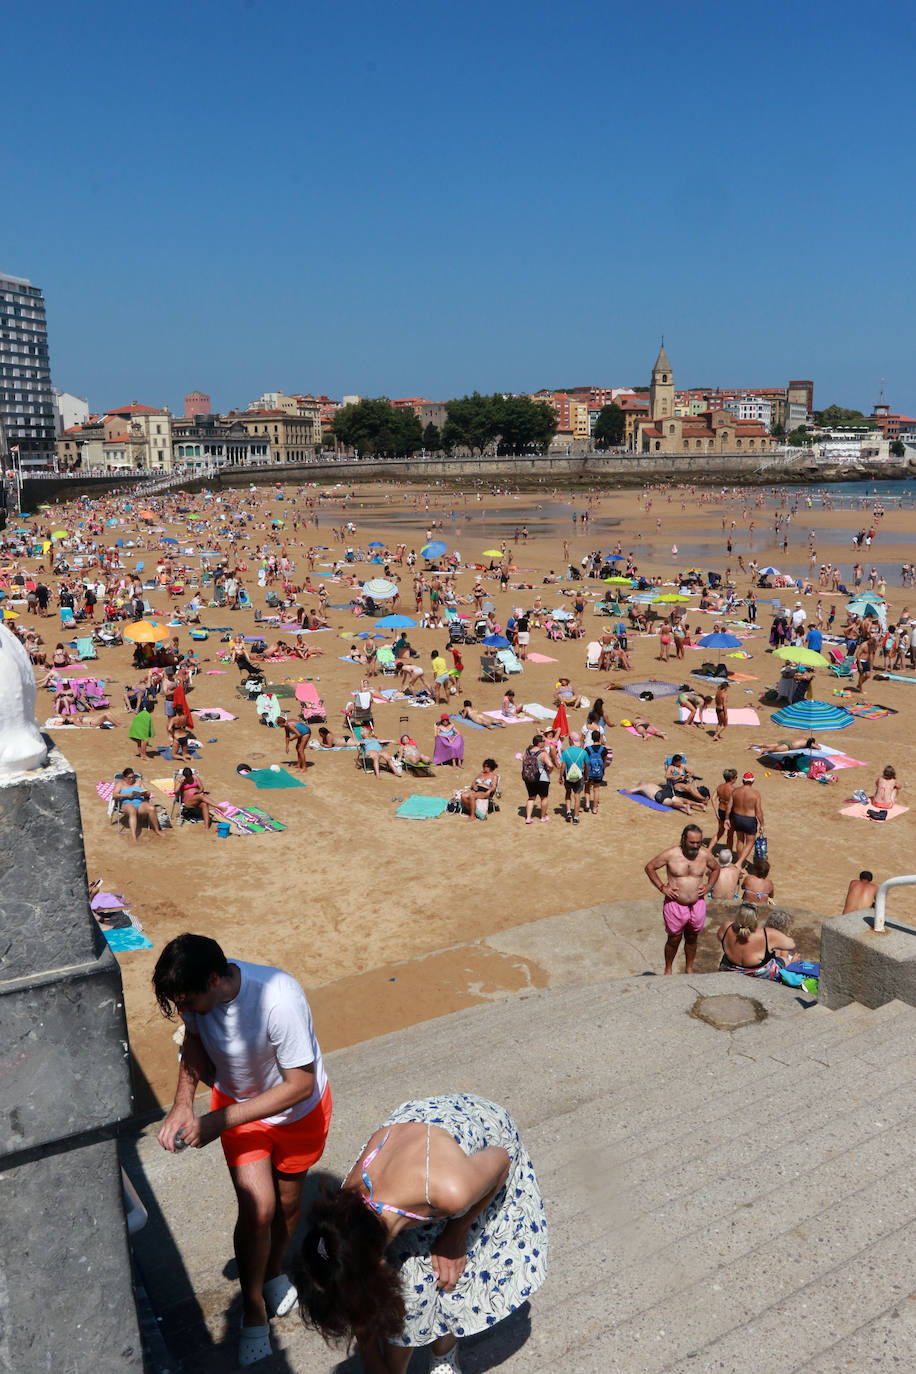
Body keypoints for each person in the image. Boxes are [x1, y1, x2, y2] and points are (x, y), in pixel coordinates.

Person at [153, 934, 331, 1369]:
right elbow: (193, 1040)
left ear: (216, 979)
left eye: (190, 1002)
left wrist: (216, 1122)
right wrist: (182, 1104)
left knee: (288, 1204)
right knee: (257, 1211)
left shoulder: (279, 997)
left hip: (297, 1113)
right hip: (238, 1111)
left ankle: (273, 1273)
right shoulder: (197, 996)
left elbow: (300, 1084)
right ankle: (254, 1310)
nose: (185, 1013)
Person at [294, 1093, 548, 1374]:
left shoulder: (452, 1192)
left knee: (445, 1272)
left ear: (380, 1264)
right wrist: (372, 1360)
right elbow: (347, 1284)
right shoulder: (342, 1217)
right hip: (410, 1151)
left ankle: (444, 1349)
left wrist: (456, 1233)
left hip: (479, 1139)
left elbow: (502, 1161)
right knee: (414, 1285)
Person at [645, 825, 720, 974]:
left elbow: (716, 868)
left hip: (697, 903)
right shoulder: (671, 854)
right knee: (674, 939)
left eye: (698, 842)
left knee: (692, 937)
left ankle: (689, 969)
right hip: (675, 904)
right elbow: (650, 867)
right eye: (692, 842)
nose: (696, 846)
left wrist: (709, 886)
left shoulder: (704, 855)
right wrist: (662, 887)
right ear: (684, 839)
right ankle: (668, 969)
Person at [717, 903, 795, 979]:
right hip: (756, 973)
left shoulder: (727, 927)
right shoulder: (765, 935)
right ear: (755, 918)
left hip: (730, 967)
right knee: (784, 960)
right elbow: (791, 944)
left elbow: (720, 938)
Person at [112, 766, 163, 842]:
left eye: (133, 777)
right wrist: (127, 795)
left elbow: (147, 793)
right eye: (129, 778)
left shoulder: (138, 782)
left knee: (152, 808)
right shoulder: (120, 784)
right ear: (124, 777)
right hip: (126, 803)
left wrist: (143, 794)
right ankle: (134, 837)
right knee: (132, 810)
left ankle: (157, 830)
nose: (132, 779)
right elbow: (114, 795)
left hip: (139, 803)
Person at [725, 771, 765, 866]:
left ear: (743, 780)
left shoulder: (735, 791)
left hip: (737, 818)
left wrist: (727, 818)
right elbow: (758, 811)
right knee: (750, 842)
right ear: (753, 781)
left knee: (740, 840)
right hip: (749, 820)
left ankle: (740, 862)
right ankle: (739, 863)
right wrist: (762, 824)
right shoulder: (755, 794)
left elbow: (729, 806)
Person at [522, 732, 553, 824]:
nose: (544, 743)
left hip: (529, 778)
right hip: (542, 778)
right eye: (543, 741)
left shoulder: (527, 752)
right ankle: (543, 817)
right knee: (544, 798)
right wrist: (549, 772)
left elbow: (524, 763)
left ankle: (528, 818)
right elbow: (550, 765)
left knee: (531, 798)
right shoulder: (543, 753)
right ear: (539, 743)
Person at [559, 730, 589, 823]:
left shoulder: (565, 752)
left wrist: (560, 777)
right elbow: (587, 766)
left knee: (568, 793)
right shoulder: (583, 752)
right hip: (579, 777)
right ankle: (576, 817)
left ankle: (568, 812)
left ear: (570, 740)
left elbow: (563, 766)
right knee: (577, 796)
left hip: (568, 776)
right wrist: (586, 776)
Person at [715, 768, 738, 847]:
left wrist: (716, 812)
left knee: (720, 832)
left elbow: (713, 798)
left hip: (721, 810)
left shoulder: (720, 787)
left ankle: (709, 848)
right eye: (736, 777)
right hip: (730, 813)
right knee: (730, 835)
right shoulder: (733, 790)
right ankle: (729, 853)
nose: (736, 779)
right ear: (732, 779)